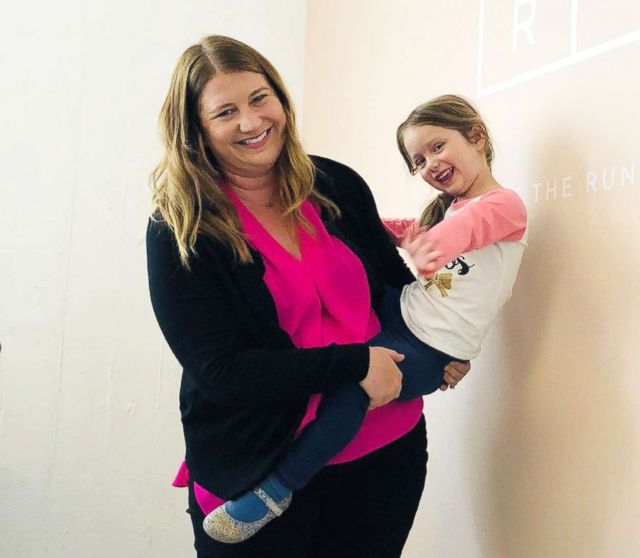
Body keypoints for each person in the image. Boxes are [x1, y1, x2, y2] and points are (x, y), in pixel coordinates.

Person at [146, 35, 470, 557]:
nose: (251, 122)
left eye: (259, 98)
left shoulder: (335, 184)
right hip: (258, 467)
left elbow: (393, 288)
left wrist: (448, 342)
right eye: (225, 111)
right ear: (196, 129)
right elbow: (222, 371)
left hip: (383, 452)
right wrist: (353, 363)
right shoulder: (181, 227)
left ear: (280, 98)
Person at [201, 94, 528, 544]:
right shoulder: (454, 207)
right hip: (406, 312)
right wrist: (355, 219)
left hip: (428, 347)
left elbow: (444, 243)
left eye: (437, 147)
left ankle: (274, 491)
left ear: (476, 135)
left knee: (355, 388)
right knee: (357, 292)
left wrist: (423, 251)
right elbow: (402, 234)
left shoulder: (502, 205)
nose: (429, 164)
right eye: (418, 160)